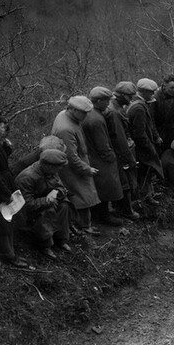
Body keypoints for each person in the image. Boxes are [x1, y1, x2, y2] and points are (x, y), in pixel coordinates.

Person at [51, 95, 102, 236]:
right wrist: (87, 169)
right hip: (71, 169)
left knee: (81, 196)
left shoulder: (66, 116)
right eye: (84, 112)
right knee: (82, 197)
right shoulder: (66, 128)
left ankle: (81, 226)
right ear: (73, 109)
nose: (86, 115)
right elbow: (71, 157)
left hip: (75, 163)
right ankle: (83, 227)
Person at [14, 149, 73, 260]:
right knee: (47, 211)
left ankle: (61, 239)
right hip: (28, 212)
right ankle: (45, 245)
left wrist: (56, 192)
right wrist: (46, 201)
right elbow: (25, 204)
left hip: (47, 202)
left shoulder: (51, 171)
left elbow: (61, 187)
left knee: (64, 205)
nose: (60, 169)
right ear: (48, 166)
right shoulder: (27, 177)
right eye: (59, 167)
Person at [82, 86, 124, 226]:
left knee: (100, 187)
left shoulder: (90, 114)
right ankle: (104, 216)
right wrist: (111, 156)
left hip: (92, 156)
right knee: (106, 187)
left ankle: (99, 215)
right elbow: (102, 144)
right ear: (98, 100)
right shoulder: (97, 119)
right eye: (106, 101)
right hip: (100, 159)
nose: (108, 104)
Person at [0, 114, 29, 268]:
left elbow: (1, 161)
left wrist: (6, 147)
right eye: (2, 127)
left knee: (8, 221)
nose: (4, 130)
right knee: (3, 223)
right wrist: (5, 195)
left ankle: (10, 252)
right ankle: (7, 255)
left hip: (4, 185)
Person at [128, 78, 166, 206]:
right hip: (141, 147)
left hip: (146, 143)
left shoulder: (142, 104)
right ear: (143, 92)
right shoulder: (138, 108)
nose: (153, 94)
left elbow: (150, 124)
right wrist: (150, 147)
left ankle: (149, 194)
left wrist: (156, 136)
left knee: (148, 171)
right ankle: (145, 198)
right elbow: (140, 133)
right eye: (150, 92)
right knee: (144, 172)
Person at [107, 81, 140, 219]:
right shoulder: (114, 112)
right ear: (119, 95)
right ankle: (126, 211)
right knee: (124, 182)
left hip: (122, 150)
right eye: (129, 96)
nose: (131, 99)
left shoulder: (118, 107)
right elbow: (120, 139)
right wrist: (130, 159)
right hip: (119, 153)